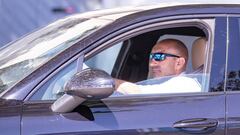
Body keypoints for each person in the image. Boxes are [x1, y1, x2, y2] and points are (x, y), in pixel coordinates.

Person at [115, 38, 201, 95]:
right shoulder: (161, 84)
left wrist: (108, 82)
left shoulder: (186, 84)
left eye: (159, 57)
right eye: (151, 57)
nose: (152, 64)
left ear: (179, 63)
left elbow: (136, 92)